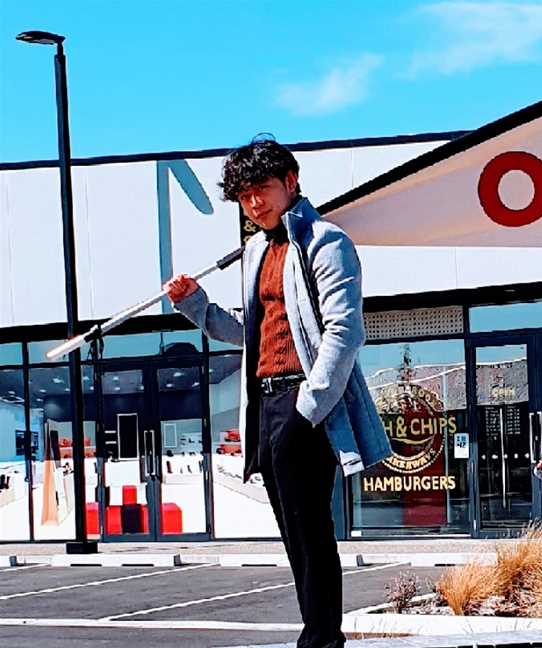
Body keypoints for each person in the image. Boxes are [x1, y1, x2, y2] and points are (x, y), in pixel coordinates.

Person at [164, 135, 391, 648]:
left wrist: (309, 406)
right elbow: (246, 329)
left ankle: (322, 638)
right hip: (263, 404)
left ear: (290, 182)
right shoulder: (255, 250)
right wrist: (195, 305)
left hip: (302, 403)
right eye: (244, 196)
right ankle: (317, 633)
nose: (254, 203)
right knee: (294, 532)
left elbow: (345, 331)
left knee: (311, 529)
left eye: (262, 189)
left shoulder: (325, 242)